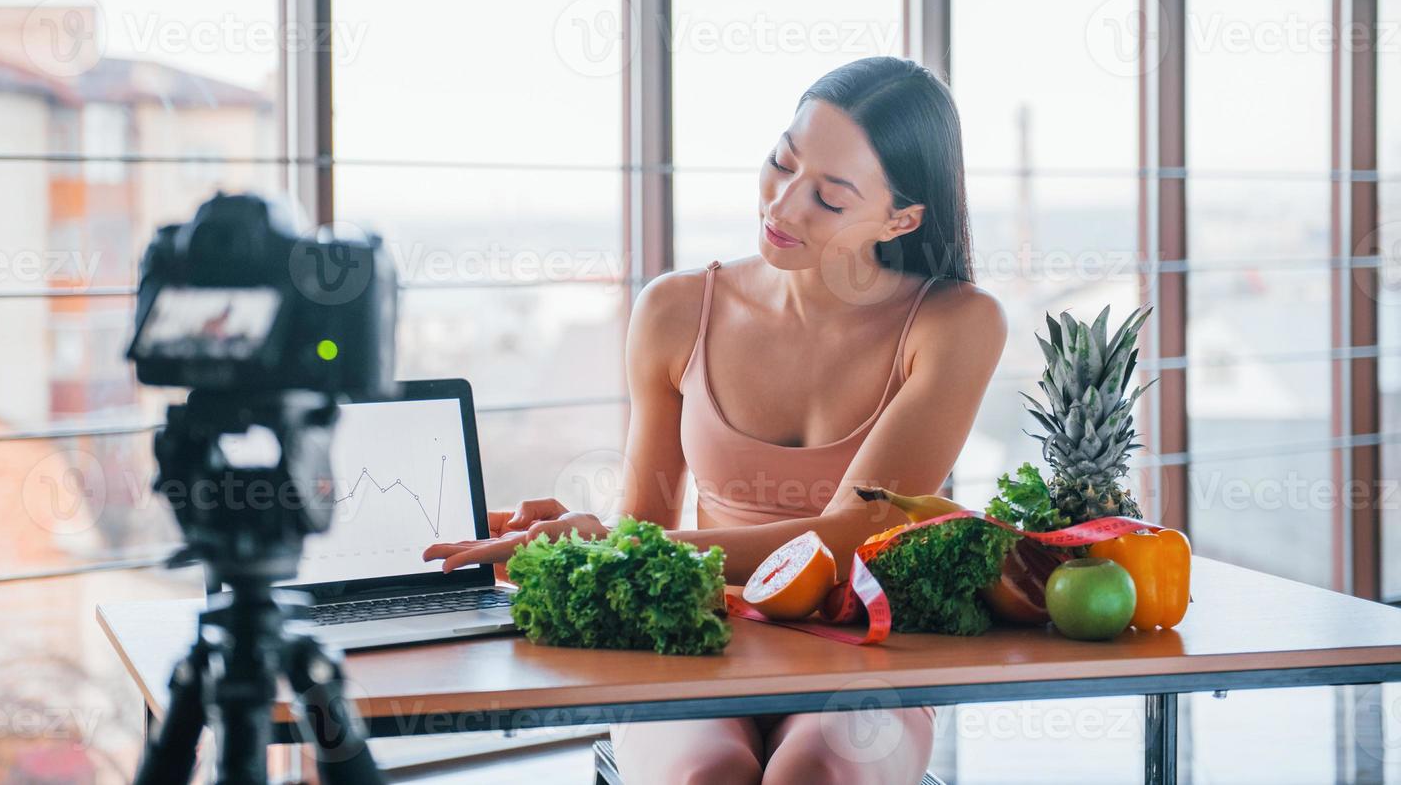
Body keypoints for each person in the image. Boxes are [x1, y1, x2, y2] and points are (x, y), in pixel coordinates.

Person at [424, 56, 1007, 783]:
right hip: (693, 632)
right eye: (780, 163)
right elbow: (645, 524)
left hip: (866, 647)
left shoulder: (955, 322)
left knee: (815, 775)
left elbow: (853, 535)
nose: (783, 206)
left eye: (828, 199)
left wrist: (616, 546)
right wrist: (589, 541)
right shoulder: (676, 309)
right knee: (708, 776)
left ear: (901, 218)